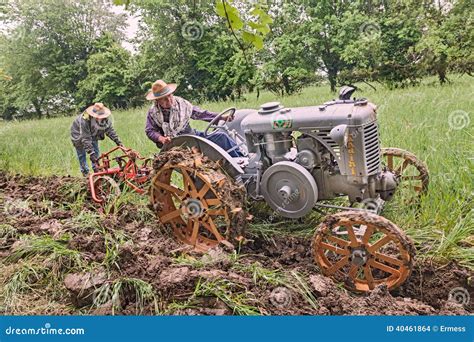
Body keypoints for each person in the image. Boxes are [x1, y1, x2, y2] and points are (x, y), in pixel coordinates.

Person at [144, 80, 242, 157]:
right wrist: (161, 138)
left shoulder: (181, 104)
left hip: (191, 136)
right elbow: (150, 130)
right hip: (173, 144)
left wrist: (221, 117)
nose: (169, 100)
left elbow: (200, 114)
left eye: (169, 96)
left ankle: (242, 160)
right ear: (157, 101)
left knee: (221, 137)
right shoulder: (153, 112)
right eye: (164, 99)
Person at [70, 102, 122, 176]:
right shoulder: (84, 119)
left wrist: (118, 142)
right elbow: (85, 138)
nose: (100, 117)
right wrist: (91, 153)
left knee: (96, 152)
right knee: (82, 154)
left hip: (93, 133)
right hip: (78, 134)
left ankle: (96, 170)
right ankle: (85, 172)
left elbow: (110, 130)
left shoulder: (105, 119)